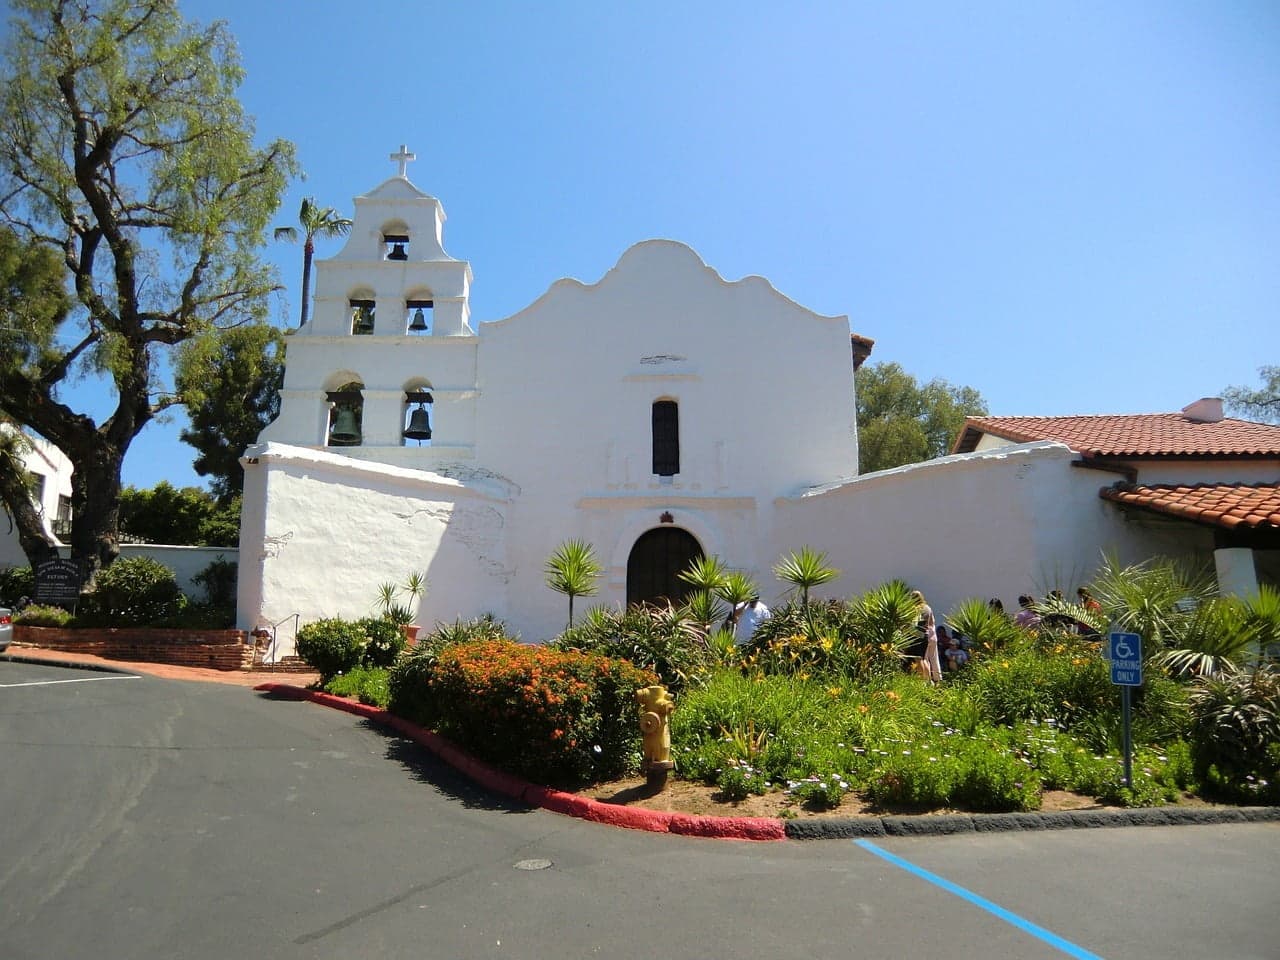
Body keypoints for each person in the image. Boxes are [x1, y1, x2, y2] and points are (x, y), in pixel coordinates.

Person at [909, 589, 943, 683]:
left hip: (916, 635)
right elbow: (931, 622)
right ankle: (929, 681)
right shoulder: (927, 608)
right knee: (925, 659)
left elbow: (913, 624)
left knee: (918, 659)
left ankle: (923, 681)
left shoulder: (915, 609)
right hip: (926, 635)